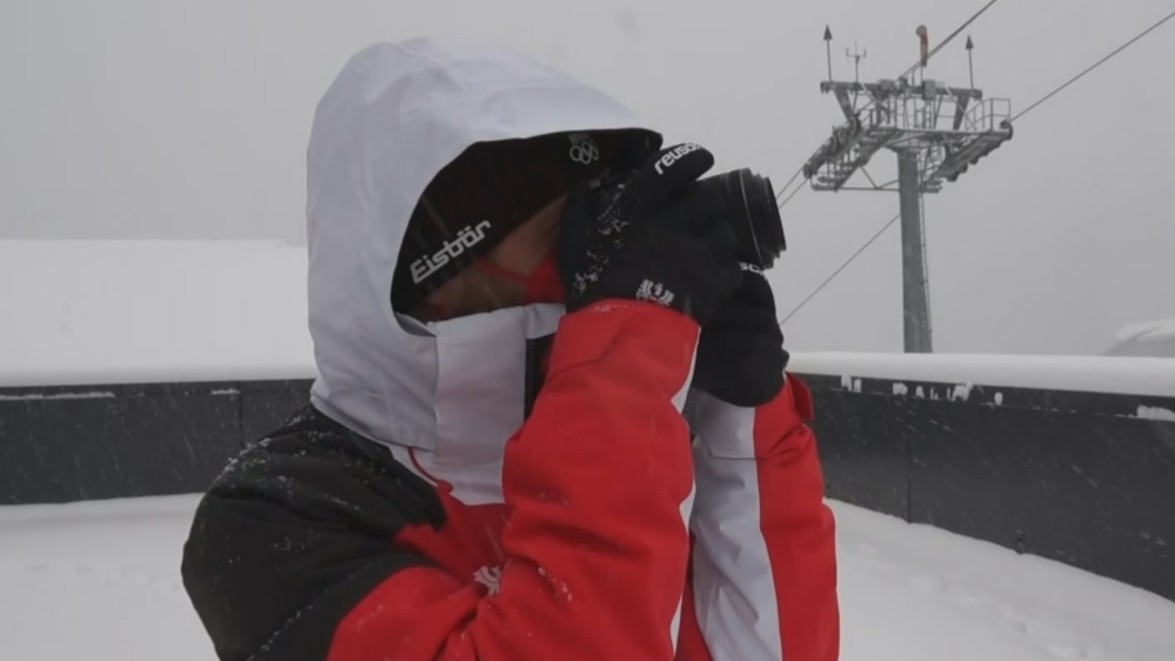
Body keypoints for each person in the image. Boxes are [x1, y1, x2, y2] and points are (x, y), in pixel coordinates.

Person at [181, 37, 839, 660]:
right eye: (562, 229)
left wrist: (740, 420)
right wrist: (623, 350)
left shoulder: (644, 432)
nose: (588, 259)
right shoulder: (271, 522)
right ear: (433, 270)